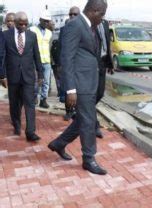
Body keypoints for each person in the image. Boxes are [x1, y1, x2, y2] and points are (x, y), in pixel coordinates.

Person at [48, 0, 108, 175]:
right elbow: (66, 58)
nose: (103, 18)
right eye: (102, 14)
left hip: (89, 82)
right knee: (88, 121)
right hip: (80, 84)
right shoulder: (75, 26)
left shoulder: (90, 26)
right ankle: (89, 159)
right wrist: (70, 89)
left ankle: (59, 143)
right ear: (94, 11)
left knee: (83, 119)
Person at [0, 12, 43, 142]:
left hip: (28, 76)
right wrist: (2, 75)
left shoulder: (32, 36)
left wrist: (40, 73)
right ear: (16, 22)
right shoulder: (5, 35)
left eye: (26, 24)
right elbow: (2, 56)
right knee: (14, 103)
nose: (23, 26)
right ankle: (16, 124)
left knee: (29, 103)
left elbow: (37, 55)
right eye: (20, 24)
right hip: (12, 76)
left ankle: (30, 132)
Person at [58, 6, 80, 121]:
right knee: (68, 89)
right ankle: (68, 111)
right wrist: (60, 65)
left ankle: (77, 111)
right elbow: (61, 48)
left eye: (75, 14)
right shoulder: (63, 29)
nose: (72, 16)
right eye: (70, 14)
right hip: (67, 65)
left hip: (80, 66)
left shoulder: (84, 28)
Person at [95, 18, 114, 138]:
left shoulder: (105, 23)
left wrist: (110, 64)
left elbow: (107, 43)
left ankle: (83, 111)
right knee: (92, 95)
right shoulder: (89, 23)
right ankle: (95, 125)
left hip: (102, 62)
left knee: (100, 94)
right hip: (92, 64)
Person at [30, 11, 53, 109]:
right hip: (35, 61)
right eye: (45, 21)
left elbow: (50, 46)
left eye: (48, 21)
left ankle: (43, 100)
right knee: (35, 81)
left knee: (46, 82)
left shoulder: (49, 33)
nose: (46, 23)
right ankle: (34, 97)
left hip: (46, 60)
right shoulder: (32, 30)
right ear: (40, 20)